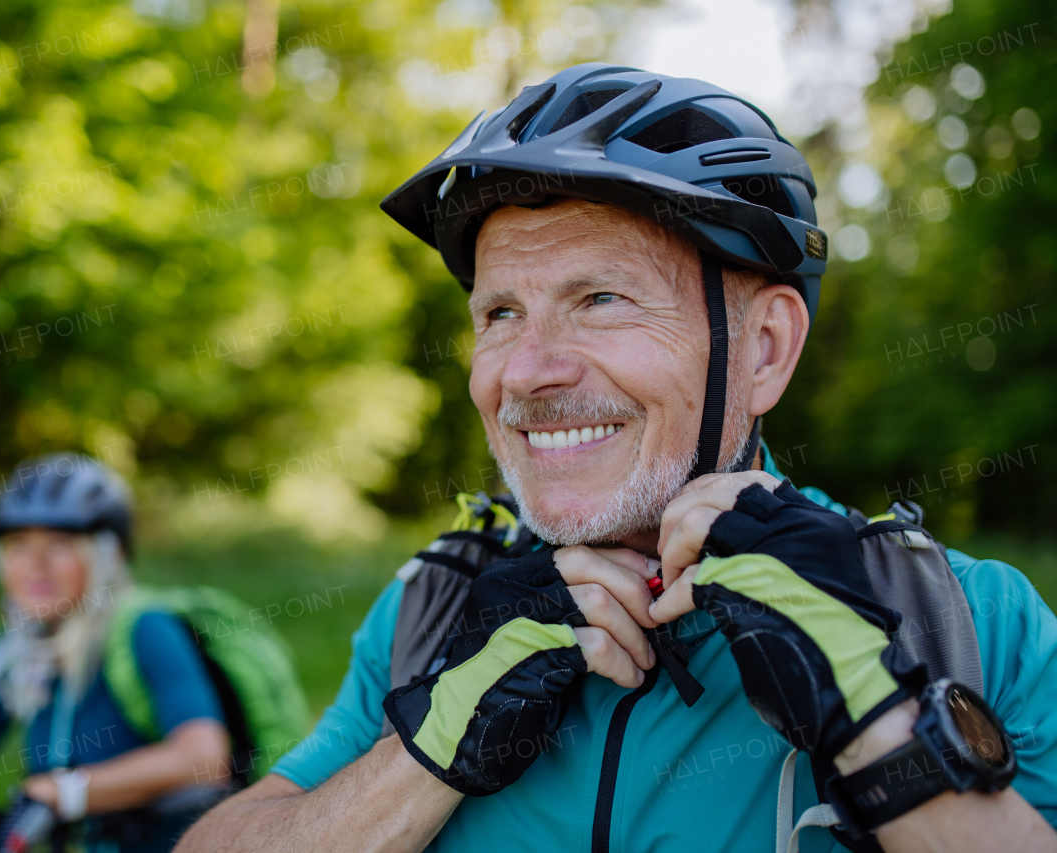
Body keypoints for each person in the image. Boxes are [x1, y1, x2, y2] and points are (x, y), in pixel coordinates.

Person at [177, 64, 1057, 853]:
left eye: (600, 298)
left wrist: (880, 721)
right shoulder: (434, 611)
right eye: (501, 314)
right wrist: (426, 751)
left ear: (763, 351)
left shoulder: (964, 621)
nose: (527, 371)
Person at [0, 453, 234, 853]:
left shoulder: (145, 628)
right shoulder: (20, 652)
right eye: (18, 545)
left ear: (111, 554)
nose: (35, 565)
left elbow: (205, 757)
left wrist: (64, 792)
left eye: (60, 544)